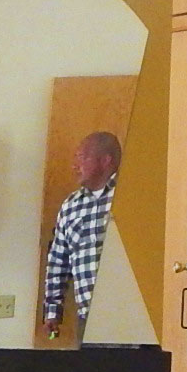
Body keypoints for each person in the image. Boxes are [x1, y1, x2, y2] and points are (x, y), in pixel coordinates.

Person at [41, 130, 121, 340]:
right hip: (88, 318)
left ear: (106, 160)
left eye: (82, 158)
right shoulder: (71, 206)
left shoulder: (130, 197)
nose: (75, 166)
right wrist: (52, 311)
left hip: (129, 317)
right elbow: (58, 261)